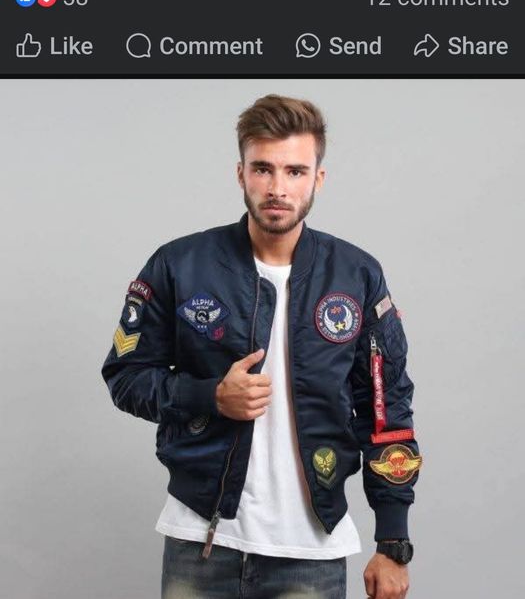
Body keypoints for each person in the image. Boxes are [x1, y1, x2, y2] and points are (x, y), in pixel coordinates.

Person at [101, 94, 422, 599]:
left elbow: (387, 408)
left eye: (295, 171)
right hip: (200, 538)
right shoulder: (179, 264)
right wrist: (210, 396)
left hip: (311, 549)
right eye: (263, 169)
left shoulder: (356, 275)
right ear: (241, 173)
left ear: (318, 179)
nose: (277, 188)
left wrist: (393, 540)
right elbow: (126, 376)